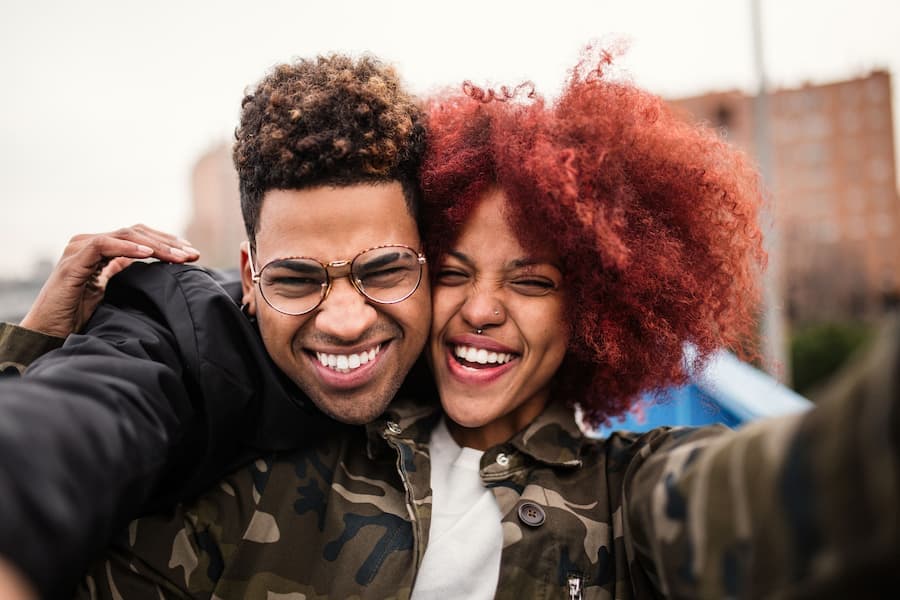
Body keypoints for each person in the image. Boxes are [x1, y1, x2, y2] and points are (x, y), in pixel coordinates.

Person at [8, 53, 900, 598]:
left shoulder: (631, 506)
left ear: (595, 300)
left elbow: (813, 489)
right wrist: (29, 358)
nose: (480, 308)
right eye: (452, 271)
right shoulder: (270, 470)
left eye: (533, 279)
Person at [0, 54, 432, 599]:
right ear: (250, 280)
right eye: (296, 280)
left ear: (429, 262)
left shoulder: (470, 342)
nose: (346, 321)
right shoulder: (181, 333)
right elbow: (75, 420)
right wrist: (34, 348)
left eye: (384, 270)